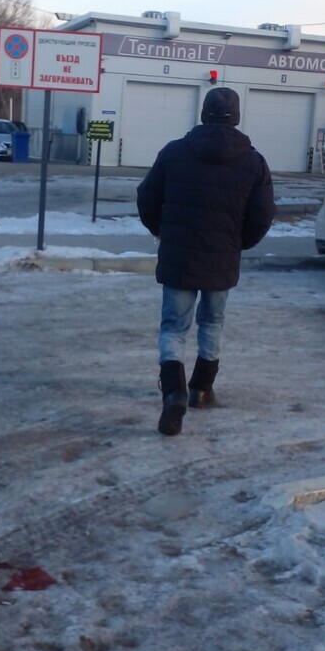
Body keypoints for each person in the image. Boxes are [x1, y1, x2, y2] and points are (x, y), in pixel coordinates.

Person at [136, 86, 275, 436]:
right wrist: (238, 244)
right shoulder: (254, 162)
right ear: (237, 116)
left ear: (203, 113)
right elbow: (263, 215)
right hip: (222, 259)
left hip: (179, 255)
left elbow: (146, 197)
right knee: (213, 324)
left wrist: (161, 230)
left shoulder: (174, 152)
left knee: (173, 328)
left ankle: (173, 394)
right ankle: (201, 389)